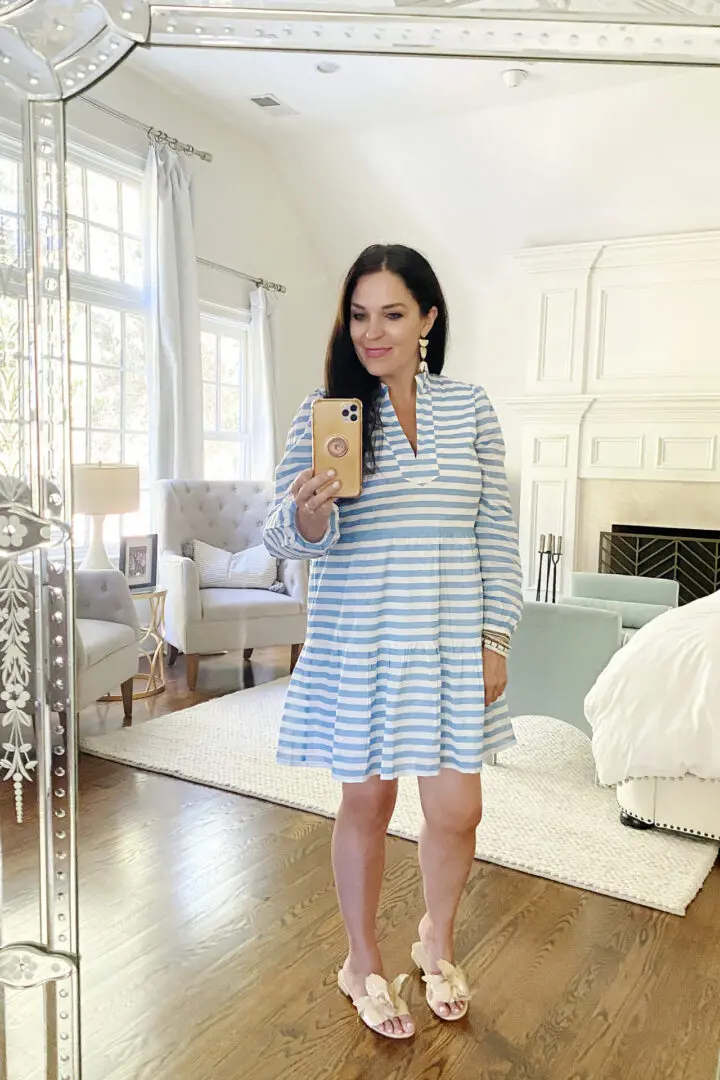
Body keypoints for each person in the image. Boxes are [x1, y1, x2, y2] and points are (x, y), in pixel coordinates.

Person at [264, 244, 523, 1040]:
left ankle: (435, 942)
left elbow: (496, 528)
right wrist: (308, 515)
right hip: (362, 639)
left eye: (393, 313)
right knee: (367, 803)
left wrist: (496, 636)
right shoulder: (328, 409)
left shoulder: (470, 406)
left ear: (427, 321)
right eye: (359, 314)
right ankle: (361, 961)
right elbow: (283, 534)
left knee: (457, 808)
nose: (373, 331)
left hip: (448, 636)